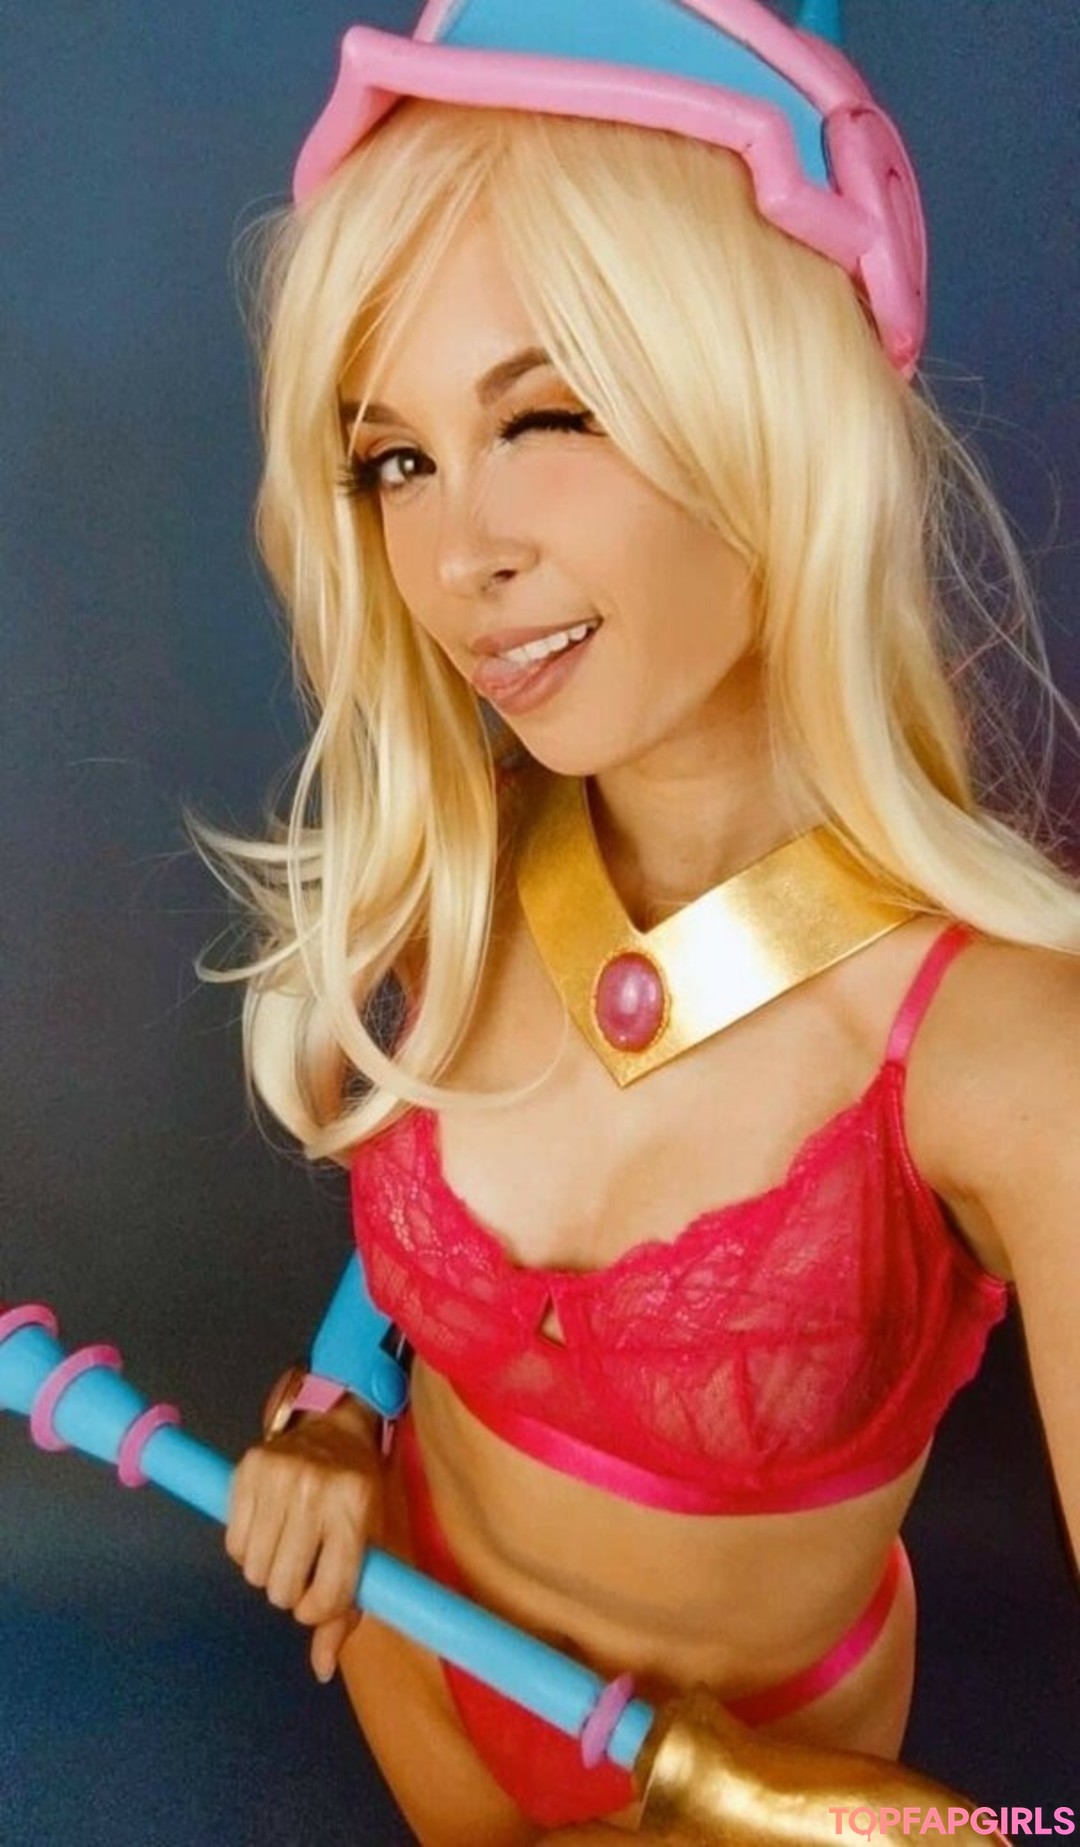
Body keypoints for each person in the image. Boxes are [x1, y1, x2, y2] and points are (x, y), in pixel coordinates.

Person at [212, 3, 1080, 1841]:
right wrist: (343, 1415)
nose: (458, 559)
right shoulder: (479, 858)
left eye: (546, 418)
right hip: (413, 1663)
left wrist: (900, 1830)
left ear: (774, 412)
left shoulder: (1002, 1058)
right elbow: (443, 1217)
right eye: (395, 458)